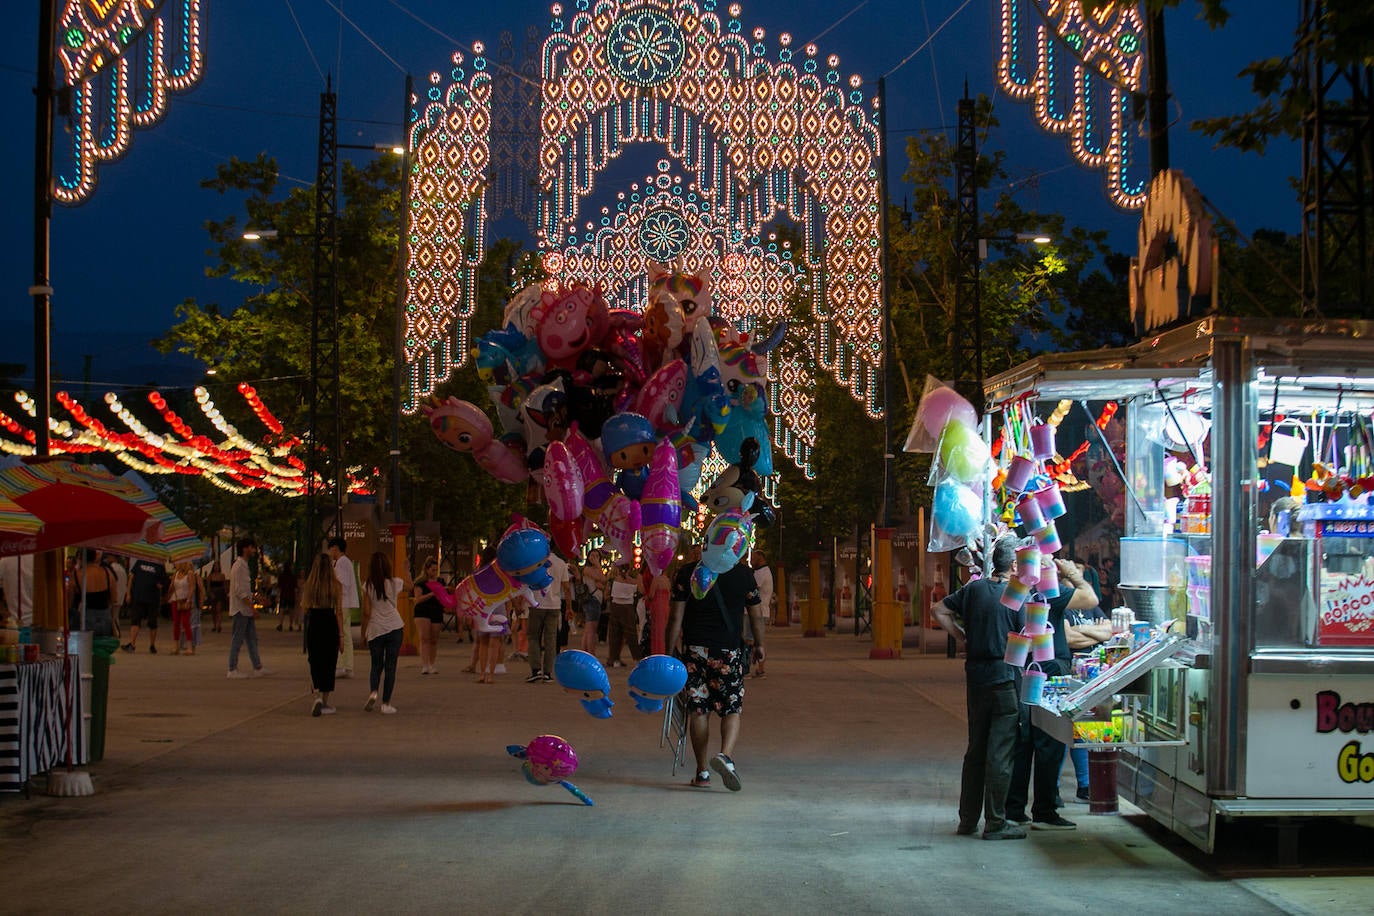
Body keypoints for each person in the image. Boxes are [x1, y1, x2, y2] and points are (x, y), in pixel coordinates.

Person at [931, 536, 1026, 840]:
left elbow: (938, 610)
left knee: (976, 750)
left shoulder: (974, 589)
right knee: (1000, 753)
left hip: (976, 677)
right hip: (1004, 678)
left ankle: (968, 819)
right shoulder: (1018, 594)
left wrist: (962, 637)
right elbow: (1028, 640)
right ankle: (996, 822)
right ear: (1013, 565)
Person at [1004, 557, 1100, 831]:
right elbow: (1090, 598)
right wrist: (1072, 572)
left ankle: (1014, 808)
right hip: (1050, 672)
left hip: (1020, 669)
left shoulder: (1012, 591)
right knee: (1050, 742)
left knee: (1023, 741)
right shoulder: (1049, 592)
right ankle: (1044, 811)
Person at [666, 542, 764, 792]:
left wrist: (668, 653)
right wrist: (760, 645)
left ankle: (702, 772)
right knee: (732, 707)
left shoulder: (687, 573)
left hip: (694, 651)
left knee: (698, 710)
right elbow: (756, 615)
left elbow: (675, 617)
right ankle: (726, 756)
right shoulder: (743, 574)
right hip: (728, 652)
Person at [1065, 582, 1113, 801]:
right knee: (1064, 732)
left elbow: (1108, 632)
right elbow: (1068, 639)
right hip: (1068, 674)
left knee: (1086, 730)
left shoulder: (1092, 608)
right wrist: (1096, 633)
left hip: (1093, 674)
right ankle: (1054, 791)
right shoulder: (1061, 605)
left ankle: (1085, 786)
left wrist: (1081, 630)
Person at [361, 551, 407, 714]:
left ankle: (373, 691)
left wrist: (363, 632)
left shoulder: (367, 585)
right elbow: (411, 586)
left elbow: (366, 612)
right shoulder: (395, 582)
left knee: (376, 665)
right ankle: (386, 703)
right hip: (395, 627)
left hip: (376, 628)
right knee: (391, 666)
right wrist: (406, 569)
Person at [301, 552, 343, 716]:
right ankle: (324, 702)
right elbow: (339, 612)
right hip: (330, 623)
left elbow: (304, 607)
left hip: (315, 623)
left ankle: (317, 694)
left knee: (315, 660)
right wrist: (341, 636)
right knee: (329, 662)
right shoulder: (336, 585)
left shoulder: (309, 585)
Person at [526, 549, 572, 683]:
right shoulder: (561, 563)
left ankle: (535, 670)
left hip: (536, 603)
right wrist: (568, 607)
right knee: (551, 639)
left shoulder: (535, 562)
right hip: (554, 605)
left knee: (533, 636)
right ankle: (547, 673)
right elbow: (567, 588)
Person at [226, 538, 269, 678]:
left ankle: (258, 667)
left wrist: (257, 599)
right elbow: (239, 591)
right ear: (245, 548)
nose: (254, 550)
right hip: (241, 609)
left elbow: (245, 590)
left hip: (246, 609)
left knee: (252, 639)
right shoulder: (238, 566)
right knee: (237, 639)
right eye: (252, 547)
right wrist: (252, 606)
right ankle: (232, 669)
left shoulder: (243, 565)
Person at [122, 556, 168, 653]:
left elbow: (164, 581)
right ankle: (132, 644)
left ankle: (152, 645)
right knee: (135, 620)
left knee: (152, 622)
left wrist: (161, 585)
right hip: (138, 597)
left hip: (153, 599)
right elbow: (131, 577)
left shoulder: (159, 565)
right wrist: (128, 593)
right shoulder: (140, 562)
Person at [327, 537, 359, 678]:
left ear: (335, 548)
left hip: (341, 603)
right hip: (346, 603)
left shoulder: (340, 563)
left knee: (338, 633)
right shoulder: (346, 562)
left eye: (330, 549)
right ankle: (348, 667)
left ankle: (340, 666)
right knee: (345, 634)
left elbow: (340, 584)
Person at [412, 557, 448, 675]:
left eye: (436, 570)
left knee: (434, 639)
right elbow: (418, 599)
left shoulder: (441, 581)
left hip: (436, 611)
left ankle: (432, 664)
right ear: (427, 570)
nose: (434, 573)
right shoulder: (420, 582)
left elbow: (444, 597)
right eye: (432, 570)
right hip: (423, 611)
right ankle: (425, 665)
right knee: (424, 638)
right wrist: (432, 594)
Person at [70, 549, 116, 638]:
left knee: (87, 645)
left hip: (86, 614)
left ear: (80, 558)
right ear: (95, 557)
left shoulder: (77, 575)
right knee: (103, 646)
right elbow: (114, 597)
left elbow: (70, 599)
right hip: (105, 613)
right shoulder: (106, 572)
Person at [606, 563, 642, 668]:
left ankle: (614, 658)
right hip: (628, 607)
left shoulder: (613, 580)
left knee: (614, 634)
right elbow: (640, 590)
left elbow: (606, 595)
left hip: (615, 607)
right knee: (631, 634)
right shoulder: (633, 581)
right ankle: (637, 658)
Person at [168, 561, 204, 655]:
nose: (175, 565)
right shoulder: (176, 573)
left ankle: (189, 647)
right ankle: (176, 646)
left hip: (185, 599)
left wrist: (189, 600)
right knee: (176, 623)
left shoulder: (190, 573)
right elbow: (172, 586)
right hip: (175, 600)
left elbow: (192, 587)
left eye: (176, 563)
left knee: (186, 623)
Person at [576, 550, 607, 655]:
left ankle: (585, 652)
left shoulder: (594, 570)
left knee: (588, 629)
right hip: (591, 600)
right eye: (592, 556)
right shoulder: (587, 569)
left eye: (597, 556)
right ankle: (590, 653)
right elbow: (602, 579)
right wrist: (598, 565)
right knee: (591, 629)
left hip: (595, 599)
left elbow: (602, 584)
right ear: (588, 557)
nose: (595, 558)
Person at [748, 551, 773, 678]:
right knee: (758, 641)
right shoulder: (762, 571)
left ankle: (751, 668)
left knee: (750, 640)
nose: (751, 561)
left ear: (761, 558)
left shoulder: (761, 573)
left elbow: (751, 589)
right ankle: (760, 668)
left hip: (757, 612)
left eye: (754, 558)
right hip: (760, 612)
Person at [276, 565, 299, 632]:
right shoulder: (293, 577)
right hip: (291, 595)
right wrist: (296, 596)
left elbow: (279, 587)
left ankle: (280, 624)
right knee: (291, 610)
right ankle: (290, 625)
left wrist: (278, 596)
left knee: (282, 610)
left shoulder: (282, 576)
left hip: (283, 595)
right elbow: (295, 588)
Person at [206, 561, 227, 633]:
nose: (216, 568)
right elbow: (208, 587)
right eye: (215, 566)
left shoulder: (222, 575)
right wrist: (210, 594)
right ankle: (214, 625)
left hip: (220, 594)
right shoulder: (210, 576)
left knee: (219, 610)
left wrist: (226, 593)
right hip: (213, 593)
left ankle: (219, 625)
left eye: (217, 566)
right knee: (213, 611)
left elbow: (224, 585)